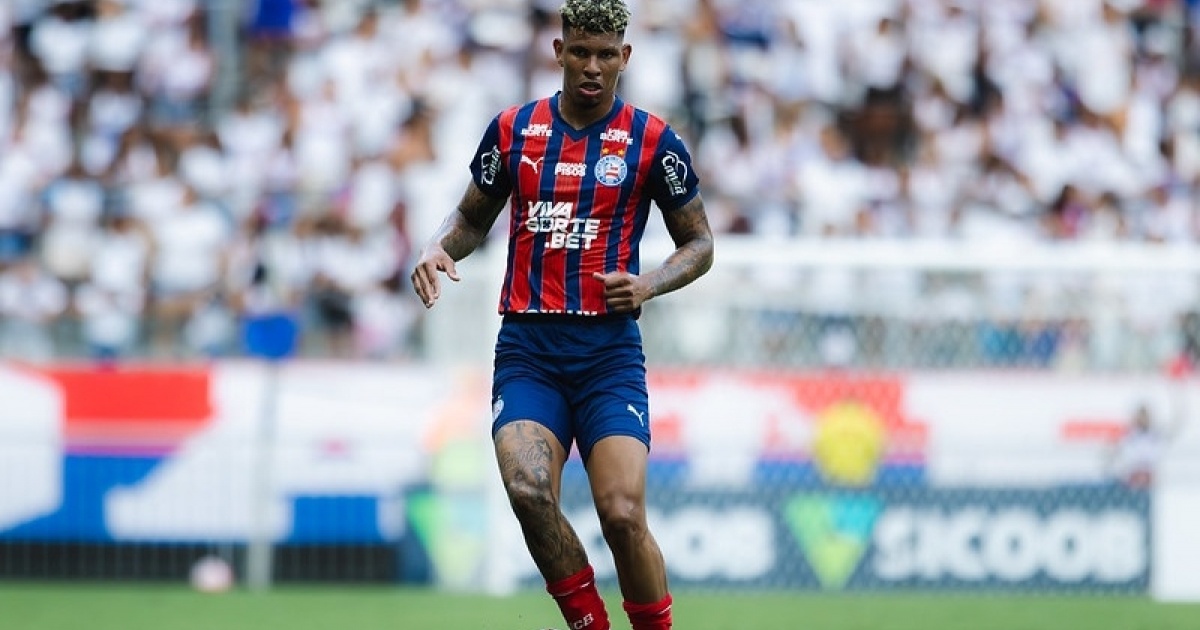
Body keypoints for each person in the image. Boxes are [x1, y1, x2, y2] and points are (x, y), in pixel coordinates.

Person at [410, 1, 713, 628]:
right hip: (530, 349)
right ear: (559, 51)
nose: (592, 67)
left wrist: (649, 284)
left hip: (608, 354)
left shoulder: (654, 141)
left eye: (605, 55)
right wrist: (439, 247)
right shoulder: (513, 131)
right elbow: (469, 218)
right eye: (580, 52)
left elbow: (700, 244)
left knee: (622, 515)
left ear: (625, 57)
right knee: (527, 490)